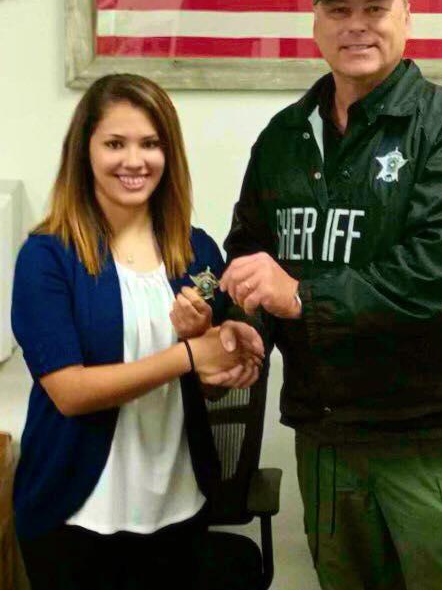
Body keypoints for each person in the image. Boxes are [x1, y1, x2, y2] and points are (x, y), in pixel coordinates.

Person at [220, 0, 442, 590]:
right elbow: (250, 249)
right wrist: (244, 324)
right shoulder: (285, 137)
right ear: (316, 23)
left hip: (432, 438)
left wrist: (302, 298)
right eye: (338, 7)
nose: (356, 23)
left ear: (405, 17)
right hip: (328, 436)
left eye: (374, 7)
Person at [11, 74, 264, 590]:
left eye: (150, 143)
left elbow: (209, 381)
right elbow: (70, 393)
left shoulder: (199, 254)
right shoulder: (47, 257)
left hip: (178, 506)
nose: (134, 160)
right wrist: (189, 356)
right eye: (114, 143)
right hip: (75, 518)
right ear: (84, 153)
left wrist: (229, 354)